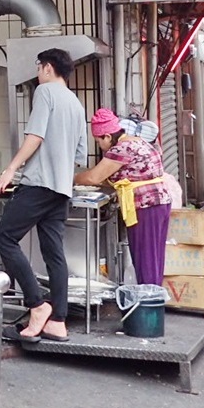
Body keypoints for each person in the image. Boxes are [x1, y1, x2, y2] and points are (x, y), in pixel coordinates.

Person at [0, 47, 86, 343]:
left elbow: (35, 136)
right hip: (61, 188)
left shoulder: (45, 92)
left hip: (39, 183)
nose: (37, 73)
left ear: (47, 68)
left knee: (4, 238)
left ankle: (36, 304)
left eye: (38, 68)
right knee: (53, 252)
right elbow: (80, 155)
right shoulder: (76, 103)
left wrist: (10, 170)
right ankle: (58, 320)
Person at [75, 108, 173, 287]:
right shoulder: (137, 141)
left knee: (145, 259)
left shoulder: (121, 148)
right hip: (160, 203)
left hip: (145, 206)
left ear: (106, 136)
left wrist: (70, 178)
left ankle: (147, 306)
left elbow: (93, 177)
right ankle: (153, 302)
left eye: (98, 140)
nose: (99, 145)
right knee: (154, 258)